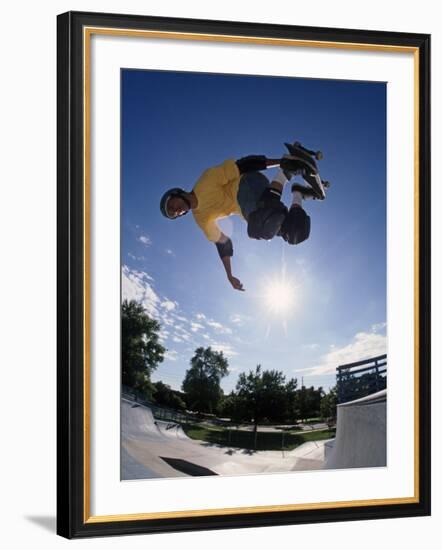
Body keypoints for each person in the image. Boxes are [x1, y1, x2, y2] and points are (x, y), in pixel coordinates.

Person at [160, 151, 322, 291]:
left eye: (171, 205)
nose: (175, 210)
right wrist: (229, 275)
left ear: (177, 193)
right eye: (173, 213)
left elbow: (243, 165)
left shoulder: (206, 181)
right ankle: (298, 194)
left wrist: (282, 162)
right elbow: (223, 243)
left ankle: (286, 171)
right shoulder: (200, 218)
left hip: (247, 183)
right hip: (251, 210)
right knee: (294, 233)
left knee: (259, 227)